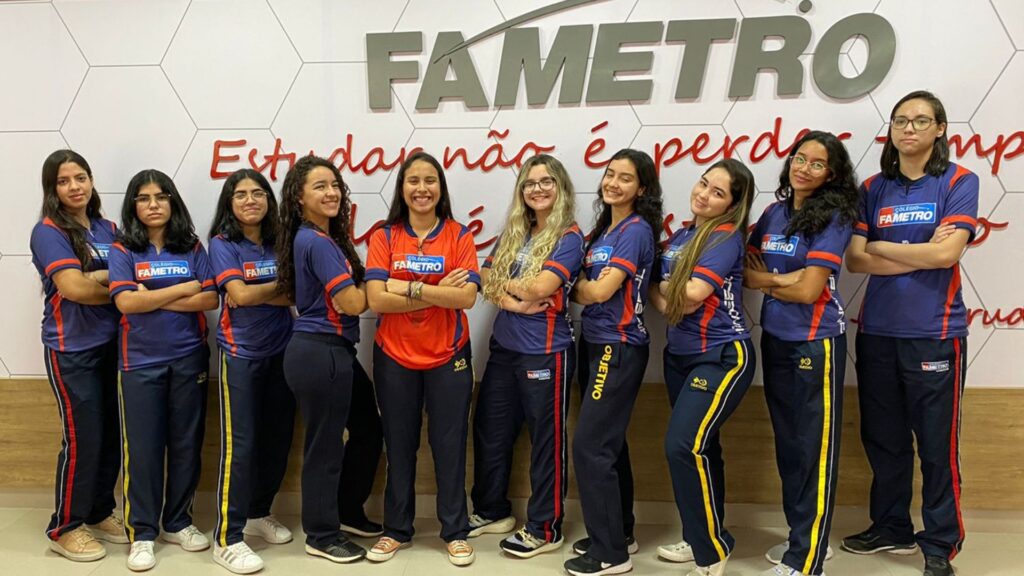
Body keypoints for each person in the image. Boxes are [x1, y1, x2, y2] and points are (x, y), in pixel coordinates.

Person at [843, 90, 978, 576]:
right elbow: (856, 259)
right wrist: (913, 249)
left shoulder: (959, 181)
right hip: (877, 332)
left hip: (935, 333)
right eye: (901, 120)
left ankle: (941, 542)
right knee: (884, 438)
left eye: (921, 121)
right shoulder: (873, 188)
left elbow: (946, 256)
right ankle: (891, 526)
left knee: (937, 447)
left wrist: (883, 247)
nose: (909, 129)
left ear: (940, 129)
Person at [744, 132, 858, 576]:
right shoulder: (773, 214)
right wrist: (784, 282)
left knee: (815, 449)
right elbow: (747, 269)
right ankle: (806, 540)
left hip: (817, 343)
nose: (804, 167)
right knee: (791, 447)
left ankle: (806, 561)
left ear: (831, 174)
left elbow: (811, 290)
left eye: (816, 163)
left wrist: (770, 283)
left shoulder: (833, 214)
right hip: (776, 339)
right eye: (799, 158)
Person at [364, 152, 480, 566]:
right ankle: (396, 529)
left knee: (449, 445)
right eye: (413, 181)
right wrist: (435, 289)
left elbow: (465, 297)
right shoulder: (384, 237)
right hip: (394, 357)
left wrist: (408, 287)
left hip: (449, 357)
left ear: (441, 188)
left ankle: (455, 530)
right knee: (399, 445)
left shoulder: (459, 236)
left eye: (430, 180)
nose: (422, 189)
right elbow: (376, 298)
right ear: (402, 188)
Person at [469, 154, 585, 558]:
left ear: (561, 188)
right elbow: (483, 278)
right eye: (530, 183)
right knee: (490, 428)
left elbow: (542, 287)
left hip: (546, 352)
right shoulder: (515, 231)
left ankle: (544, 528)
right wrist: (513, 303)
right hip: (504, 348)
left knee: (546, 442)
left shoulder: (569, 237)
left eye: (546, 181)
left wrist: (512, 290)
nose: (537, 189)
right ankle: (491, 510)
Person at [108, 169, 219, 572]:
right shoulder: (123, 249)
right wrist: (183, 288)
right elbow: (125, 305)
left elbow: (210, 298)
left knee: (187, 442)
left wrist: (152, 296)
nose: (153, 204)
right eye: (143, 198)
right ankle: (143, 532)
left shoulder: (190, 245)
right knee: (144, 449)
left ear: (173, 202)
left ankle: (178, 521)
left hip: (189, 357)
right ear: (133, 206)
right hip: (138, 362)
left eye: (160, 196)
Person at [651, 158, 756, 576]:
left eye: (718, 192)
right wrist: (671, 296)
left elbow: (691, 295)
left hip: (722, 355)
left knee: (682, 445)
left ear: (732, 204)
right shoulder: (681, 236)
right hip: (679, 354)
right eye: (704, 183)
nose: (704, 194)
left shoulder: (726, 236)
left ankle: (710, 554)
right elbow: (668, 306)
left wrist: (670, 292)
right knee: (702, 449)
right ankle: (706, 535)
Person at [565, 149, 662, 576]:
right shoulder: (605, 231)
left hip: (617, 346)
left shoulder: (636, 230)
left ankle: (609, 554)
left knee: (590, 446)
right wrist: (584, 287)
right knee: (610, 444)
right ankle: (619, 532)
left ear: (641, 188)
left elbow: (599, 292)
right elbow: (581, 287)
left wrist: (583, 288)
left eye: (625, 178)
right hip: (595, 343)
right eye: (609, 174)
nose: (614, 183)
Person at [30, 150, 127, 562]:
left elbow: (131, 272)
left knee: (111, 437)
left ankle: (99, 510)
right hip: (71, 350)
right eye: (64, 180)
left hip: (113, 346)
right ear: (52, 189)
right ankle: (65, 526)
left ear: (91, 181)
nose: (75, 187)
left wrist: (102, 277)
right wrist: (119, 288)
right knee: (83, 437)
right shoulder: (49, 231)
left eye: (81, 177)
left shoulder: (109, 228)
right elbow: (74, 288)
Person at [275, 156, 371, 563]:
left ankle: (346, 511)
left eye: (334, 185)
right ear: (299, 197)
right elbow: (350, 302)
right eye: (319, 186)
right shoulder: (315, 240)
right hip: (321, 352)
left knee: (369, 427)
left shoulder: (322, 239)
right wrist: (392, 285)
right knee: (325, 446)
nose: (331, 192)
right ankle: (321, 534)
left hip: (332, 352)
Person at [207, 169, 294, 573]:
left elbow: (299, 293)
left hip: (283, 352)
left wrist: (258, 294)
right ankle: (227, 536)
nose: (250, 200)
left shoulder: (283, 241)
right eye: (240, 194)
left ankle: (259, 512)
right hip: (240, 355)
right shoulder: (223, 244)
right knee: (239, 447)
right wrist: (273, 291)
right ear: (229, 203)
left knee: (277, 439)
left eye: (258, 193)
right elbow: (237, 295)